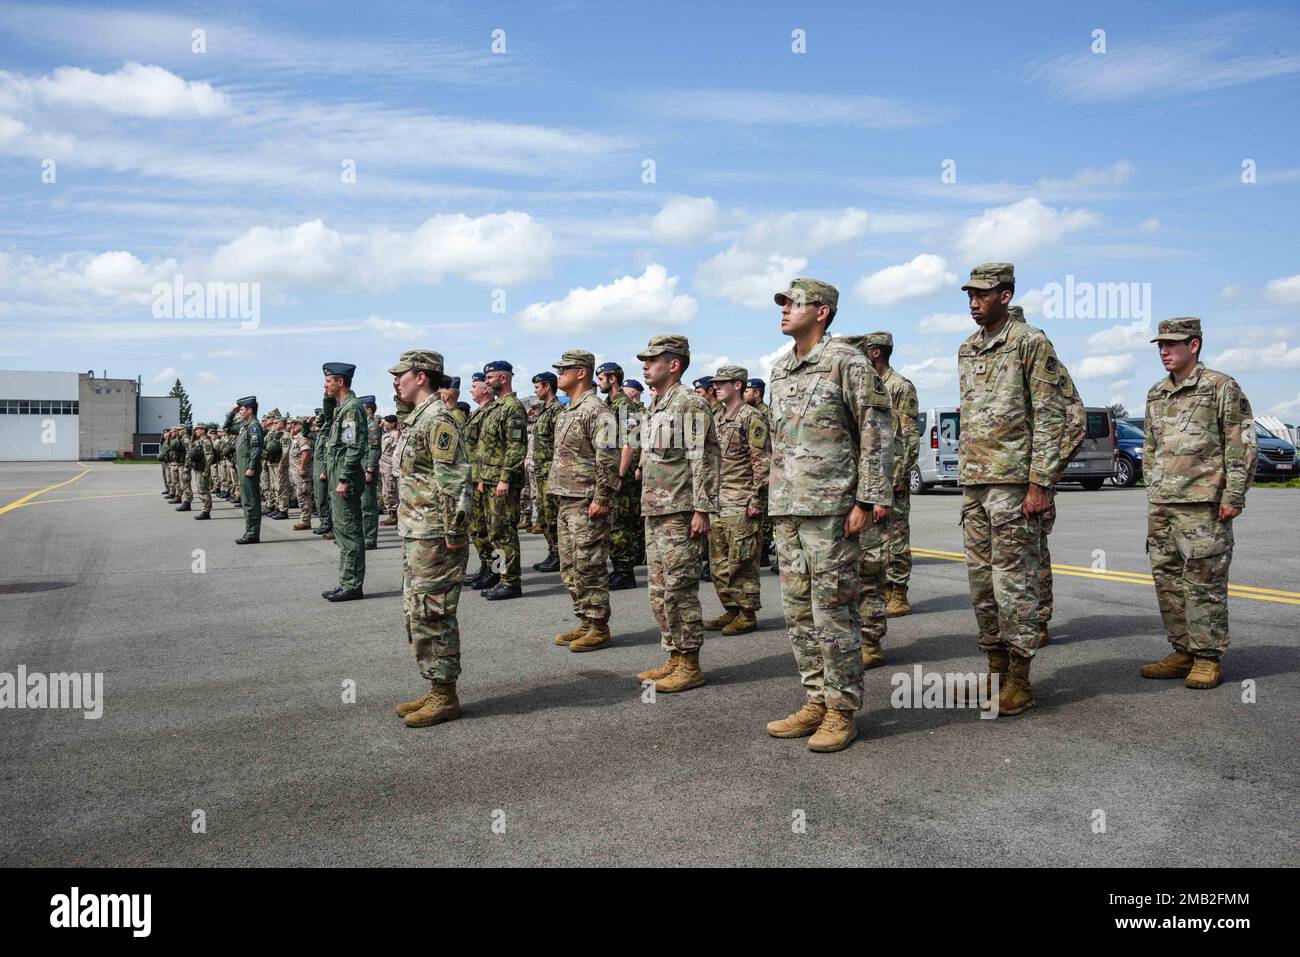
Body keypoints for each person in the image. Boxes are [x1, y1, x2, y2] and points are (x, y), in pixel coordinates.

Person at [764, 279, 892, 753]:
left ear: (821, 311)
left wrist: (867, 500)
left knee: (833, 611)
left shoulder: (847, 363)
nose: (783, 312)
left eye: (793, 304)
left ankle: (842, 710)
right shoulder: (780, 370)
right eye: (782, 305)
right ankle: (815, 698)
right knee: (798, 612)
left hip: (833, 509)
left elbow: (875, 431)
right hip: (790, 508)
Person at [956, 263, 1068, 715]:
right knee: (982, 583)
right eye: (970, 294)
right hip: (975, 483)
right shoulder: (967, 348)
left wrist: (1040, 482)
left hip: (1014, 484)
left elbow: (1051, 414)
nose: (973, 301)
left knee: (1014, 584)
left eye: (982, 294)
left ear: (1006, 295)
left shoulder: (1030, 342)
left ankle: (1020, 680)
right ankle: (996, 670)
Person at [1140, 318, 1257, 690]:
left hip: (1203, 505)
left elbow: (1242, 444)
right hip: (1163, 504)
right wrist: (1153, 488)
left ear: (1194, 345)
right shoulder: (1156, 393)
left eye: (1172, 344)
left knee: (1203, 584)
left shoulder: (1221, 386)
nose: (1164, 351)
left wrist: (1233, 495)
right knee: (1168, 582)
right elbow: (1149, 447)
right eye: (1160, 344)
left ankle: (1208, 657)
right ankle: (1183, 651)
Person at [389, 349, 473, 728]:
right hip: (417, 531)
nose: (396, 381)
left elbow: (454, 480)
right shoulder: (419, 417)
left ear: (421, 376)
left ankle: (445, 694)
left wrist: (454, 532)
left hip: (436, 535)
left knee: (433, 612)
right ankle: (435, 683)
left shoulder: (439, 419)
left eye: (401, 375)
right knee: (416, 611)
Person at [633, 335, 720, 693]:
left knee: (680, 589)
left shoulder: (689, 405)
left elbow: (705, 458)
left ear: (674, 364)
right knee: (659, 590)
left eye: (653, 359)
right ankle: (674, 655)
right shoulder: (656, 406)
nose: (645, 365)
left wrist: (702, 509)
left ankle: (690, 663)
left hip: (681, 512)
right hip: (656, 511)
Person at [548, 350, 619, 652]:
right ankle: (585, 620)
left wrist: (602, 497)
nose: (558, 374)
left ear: (581, 372)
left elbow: (608, 457)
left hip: (587, 500)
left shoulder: (597, 410)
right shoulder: (568, 410)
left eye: (564, 369)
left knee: (589, 565)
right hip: (567, 499)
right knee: (570, 567)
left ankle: (599, 626)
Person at [703, 365, 770, 636]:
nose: (716, 387)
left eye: (723, 383)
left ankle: (746, 613)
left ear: (738, 385)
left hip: (742, 501)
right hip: (719, 501)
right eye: (715, 384)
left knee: (741, 562)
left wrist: (756, 500)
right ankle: (731, 609)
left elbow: (762, 463)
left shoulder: (751, 417)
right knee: (718, 563)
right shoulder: (717, 417)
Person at [477, 360, 527, 600]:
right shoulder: (495, 408)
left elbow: (516, 446)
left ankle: (510, 581)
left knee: (504, 532)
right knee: (494, 533)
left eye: (491, 377)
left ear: (504, 378)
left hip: (502, 481)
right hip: (489, 480)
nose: (487, 381)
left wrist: (505, 478)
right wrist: (482, 479)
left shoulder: (513, 408)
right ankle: (500, 577)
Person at [321, 363, 368, 601]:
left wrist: (343, 477)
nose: (325, 385)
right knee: (342, 531)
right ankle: (345, 581)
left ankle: (352, 585)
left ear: (340, 382)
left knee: (349, 531)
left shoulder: (351, 410)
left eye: (328, 381)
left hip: (345, 477)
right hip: (338, 474)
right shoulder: (342, 408)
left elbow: (354, 446)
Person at [598, 361, 641, 590]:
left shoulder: (625, 405)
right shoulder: (608, 404)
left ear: (612, 379)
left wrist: (620, 475)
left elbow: (632, 442)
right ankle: (618, 568)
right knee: (611, 524)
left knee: (620, 525)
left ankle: (625, 572)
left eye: (601, 378)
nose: (599, 382)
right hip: (609, 472)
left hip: (620, 474)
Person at [464, 373, 497, 589]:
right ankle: (487, 567)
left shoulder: (492, 412)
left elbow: (489, 449)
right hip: (476, 477)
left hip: (486, 478)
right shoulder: (479, 413)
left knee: (496, 532)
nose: (471, 390)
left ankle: (498, 573)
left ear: (485, 388)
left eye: (474, 386)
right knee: (478, 529)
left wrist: (484, 477)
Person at [530, 371, 562, 572]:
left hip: (551, 472)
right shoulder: (544, 410)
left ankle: (559, 553)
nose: (535, 390)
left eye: (537, 386)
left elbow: (560, 445)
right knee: (543, 515)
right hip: (541, 472)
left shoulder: (556, 410)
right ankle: (553, 551)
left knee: (553, 515)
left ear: (547, 386)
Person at [222, 397, 263, 544]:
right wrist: (230, 414)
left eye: (242, 409)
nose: (240, 412)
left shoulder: (253, 426)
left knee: (251, 500)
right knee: (247, 499)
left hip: (248, 466)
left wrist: (251, 467)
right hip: (243, 466)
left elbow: (256, 448)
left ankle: (252, 534)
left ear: (250, 410)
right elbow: (226, 429)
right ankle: (250, 531)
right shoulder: (244, 426)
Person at [358, 396, 382, 550]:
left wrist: (370, 469)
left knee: (368, 505)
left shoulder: (372, 426)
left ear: (368, 409)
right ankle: (363, 536)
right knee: (361, 504)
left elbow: (374, 449)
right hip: (360, 467)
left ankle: (370, 539)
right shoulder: (363, 425)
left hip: (367, 468)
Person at [189, 422, 215, 519]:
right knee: (200, 489)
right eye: (195, 429)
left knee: (203, 490)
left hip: (203, 469)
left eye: (198, 429)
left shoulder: (206, 441)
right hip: (199, 468)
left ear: (203, 430)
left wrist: (206, 470)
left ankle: (206, 511)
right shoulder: (199, 440)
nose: (196, 431)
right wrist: (193, 436)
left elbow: (209, 456)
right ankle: (205, 510)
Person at [379, 414, 400, 527]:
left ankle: (395, 515)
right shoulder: (385, 435)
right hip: (383, 466)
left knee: (391, 492)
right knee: (385, 492)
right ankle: (392, 514)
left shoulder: (396, 434)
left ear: (392, 423)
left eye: (387, 422)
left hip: (390, 467)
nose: (384, 424)